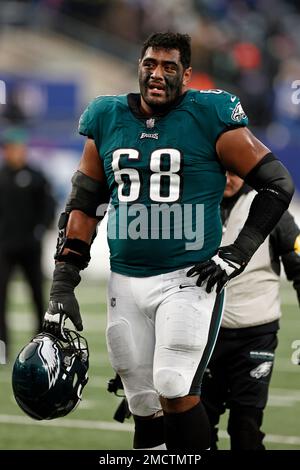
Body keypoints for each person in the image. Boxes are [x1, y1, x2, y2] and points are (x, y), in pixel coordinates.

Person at [43, 32, 294, 450]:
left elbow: (276, 184)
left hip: (188, 277)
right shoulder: (107, 116)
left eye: (169, 67)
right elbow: (84, 205)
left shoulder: (210, 114)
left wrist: (238, 252)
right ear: (139, 66)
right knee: (142, 400)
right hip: (125, 280)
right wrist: (63, 280)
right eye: (150, 64)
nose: (157, 74)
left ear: (187, 74)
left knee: (174, 385)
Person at [201, 171, 300, 450]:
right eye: (222, 171)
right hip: (204, 334)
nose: (228, 179)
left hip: (256, 333)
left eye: (235, 172)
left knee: (246, 426)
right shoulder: (195, 205)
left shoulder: (270, 206)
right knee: (198, 426)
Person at [0, 127, 56, 361]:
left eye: (20, 148)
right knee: (1, 297)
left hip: (31, 248)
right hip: (3, 248)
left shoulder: (36, 176)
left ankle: (41, 347)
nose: (16, 153)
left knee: (37, 296)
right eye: (12, 149)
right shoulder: (1, 177)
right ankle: (2, 348)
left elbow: (48, 206)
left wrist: (40, 229)